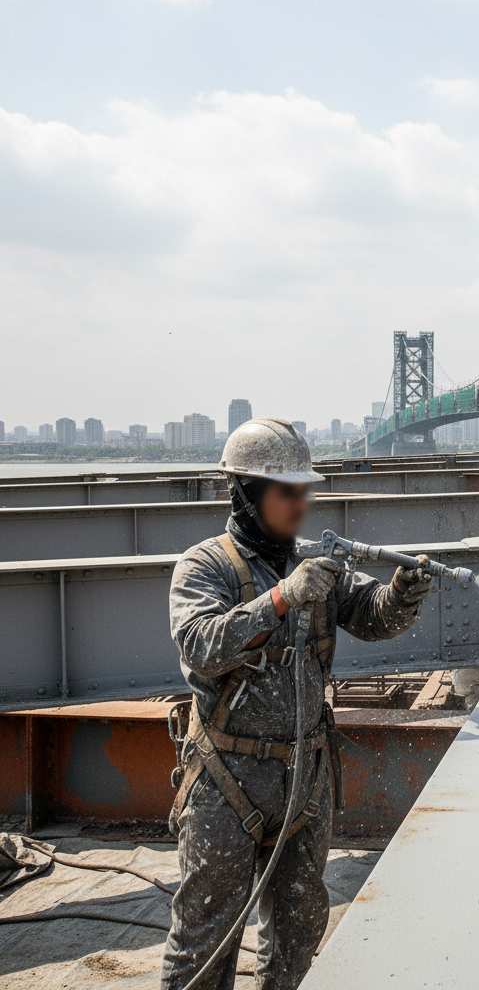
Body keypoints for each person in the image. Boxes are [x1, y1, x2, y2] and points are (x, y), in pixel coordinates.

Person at [162, 418, 432, 990]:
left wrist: (402, 594)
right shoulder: (206, 565)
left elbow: (372, 615)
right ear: (246, 493)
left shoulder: (315, 563)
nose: (301, 503)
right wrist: (280, 599)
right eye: (288, 492)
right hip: (226, 780)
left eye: (305, 490)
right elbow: (199, 646)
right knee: (205, 944)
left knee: (298, 932)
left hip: (304, 782)